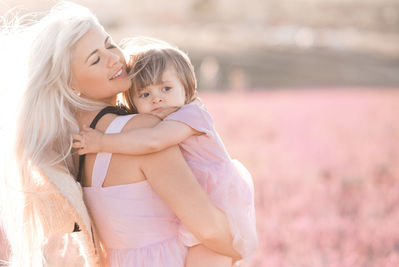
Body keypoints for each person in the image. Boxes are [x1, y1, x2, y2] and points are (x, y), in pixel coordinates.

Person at [0, 2, 239, 266]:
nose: (114, 58)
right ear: (70, 84)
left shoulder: (76, 148)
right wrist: (242, 244)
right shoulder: (142, 131)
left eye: (110, 44)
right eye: (96, 59)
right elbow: (209, 229)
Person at [73, 39, 258, 266]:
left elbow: (152, 141)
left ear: (188, 89)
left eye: (166, 89)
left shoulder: (191, 115)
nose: (157, 98)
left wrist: (101, 143)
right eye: (145, 95)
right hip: (197, 209)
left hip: (219, 202)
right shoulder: (156, 121)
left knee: (210, 254)